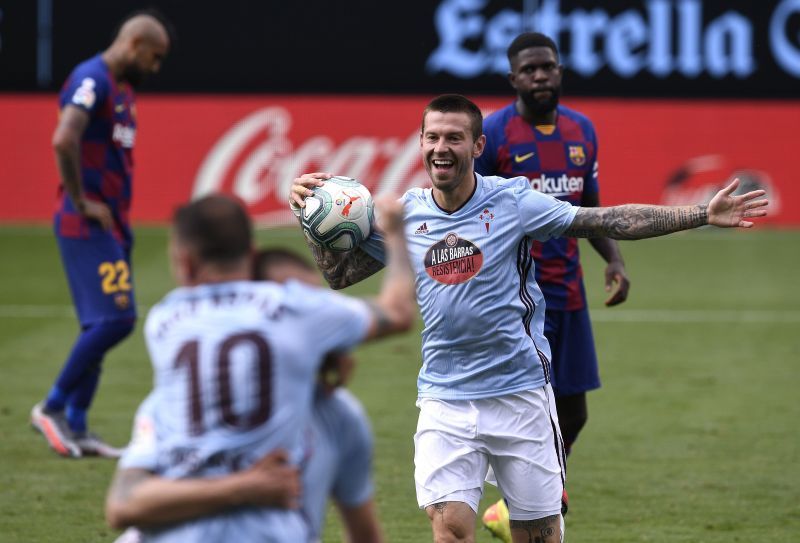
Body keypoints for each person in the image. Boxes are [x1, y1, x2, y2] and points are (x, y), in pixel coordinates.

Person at [288, 94, 768, 543]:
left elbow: (603, 220)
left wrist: (701, 213)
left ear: (478, 145)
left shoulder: (512, 202)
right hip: (445, 398)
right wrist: (313, 219)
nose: (441, 147)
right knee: (450, 528)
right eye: (432, 137)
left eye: (454, 137)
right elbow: (340, 274)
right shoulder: (402, 216)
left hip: (520, 392)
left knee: (538, 536)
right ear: (420, 144)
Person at [105, 194, 414, 542]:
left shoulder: (163, 321)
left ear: (186, 263)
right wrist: (396, 232)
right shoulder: (294, 310)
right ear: (251, 254)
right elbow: (398, 312)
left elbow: (122, 504)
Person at [476, 32, 629, 463]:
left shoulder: (582, 130)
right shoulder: (492, 133)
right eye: (529, 69)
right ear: (513, 78)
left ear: (560, 71)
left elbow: (590, 208)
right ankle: (528, 503)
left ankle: (539, 494)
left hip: (570, 292)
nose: (540, 76)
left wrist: (614, 259)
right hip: (517, 298)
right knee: (527, 411)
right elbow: (472, 214)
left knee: (574, 413)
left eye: (547, 67)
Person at [31, 10, 172, 458]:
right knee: (117, 319)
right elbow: (62, 139)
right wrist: (80, 200)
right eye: (154, 57)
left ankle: (77, 424)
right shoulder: (92, 79)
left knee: (98, 323)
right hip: (85, 223)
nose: (156, 67)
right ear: (133, 45)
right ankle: (51, 407)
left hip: (113, 224)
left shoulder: (123, 90)